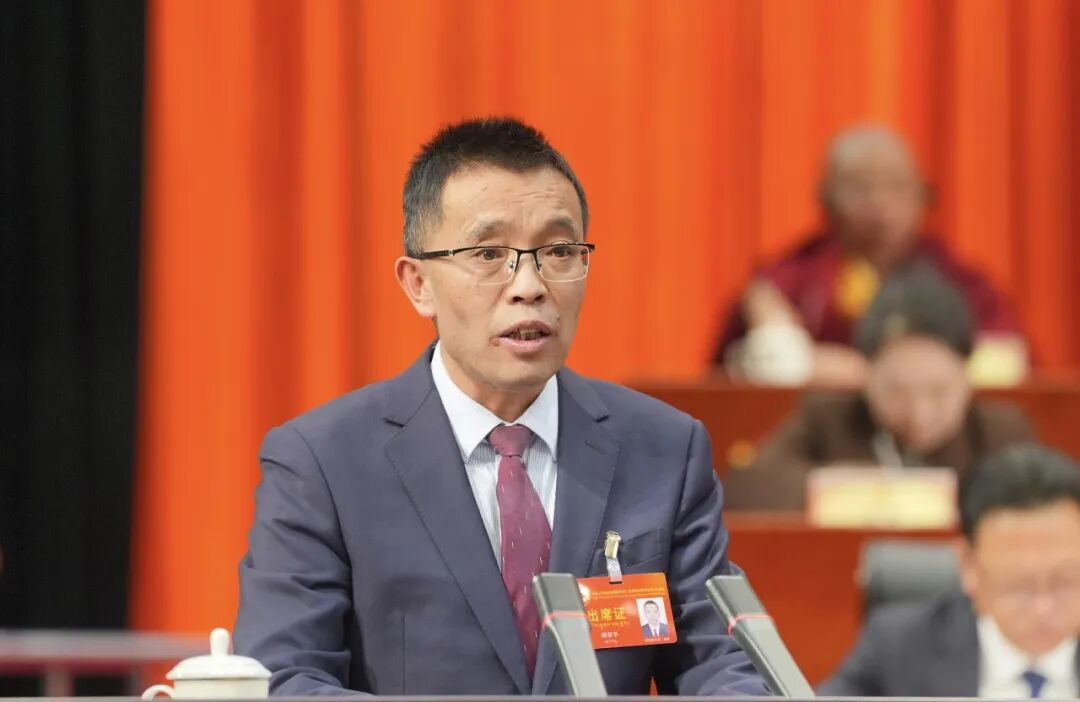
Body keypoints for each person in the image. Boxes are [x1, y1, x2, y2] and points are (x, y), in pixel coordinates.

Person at [233, 118, 766, 696]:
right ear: (418, 284)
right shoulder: (323, 463)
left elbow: (719, 662)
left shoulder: (663, 449)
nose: (529, 286)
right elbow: (285, 678)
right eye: (489, 253)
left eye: (558, 251)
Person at [715, 124, 1026, 388]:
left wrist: (862, 374)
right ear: (825, 200)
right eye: (859, 189)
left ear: (923, 196)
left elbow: (1005, 361)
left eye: (897, 187)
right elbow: (753, 367)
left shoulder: (953, 278)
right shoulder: (788, 279)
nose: (880, 205)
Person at [721, 264, 1033, 510]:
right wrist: (862, 491)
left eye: (939, 392)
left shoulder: (998, 429)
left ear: (966, 376)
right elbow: (746, 490)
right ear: (866, 376)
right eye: (897, 392)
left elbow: (1039, 502)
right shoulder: (828, 418)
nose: (919, 414)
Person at [820, 443, 1080, 697]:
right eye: (1017, 585)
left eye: (1064, 581)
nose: (1042, 608)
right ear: (968, 565)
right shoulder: (898, 647)